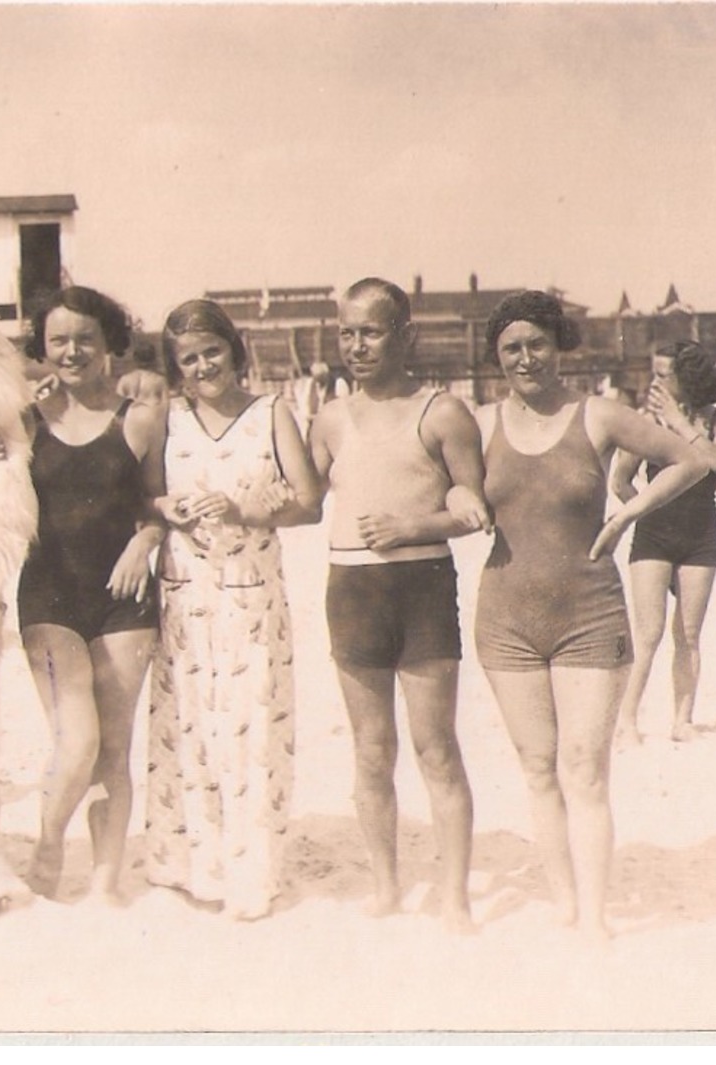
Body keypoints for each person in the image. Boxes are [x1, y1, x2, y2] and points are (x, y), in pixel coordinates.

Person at [473, 291, 706, 943]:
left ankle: (596, 915)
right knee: (537, 765)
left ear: (559, 345)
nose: (525, 357)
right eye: (511, 347)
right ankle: (564, 902)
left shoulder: (597, 415)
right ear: (497, 357)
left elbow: (692, 459)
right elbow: (443, 485)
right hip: (505, 618)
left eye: (536, 343)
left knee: (584, 764)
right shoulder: (479, 422)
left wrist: (629, 510)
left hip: (588, 613)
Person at [308, 278, 490, 932]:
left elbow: (473, 507)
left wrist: (413, 527)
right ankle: (384, 884)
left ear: (404, 335)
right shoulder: (327, 417)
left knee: (435, 746)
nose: (356, 345)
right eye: (347, 332)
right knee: (369, 749)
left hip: (420, 589)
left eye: (370, 331)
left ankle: (454, 894)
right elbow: (301, 502)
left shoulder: (441, 412)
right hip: (351, 590)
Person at [144, 299, 321, 920]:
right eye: (187, 360)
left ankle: (251, 874)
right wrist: (168, 509)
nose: (202, 367)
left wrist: (244, 509)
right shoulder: (168, 419)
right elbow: (146, 497)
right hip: (187, 591)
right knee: (189, 723)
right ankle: (193, 866)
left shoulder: (271, 413)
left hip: (249, 588)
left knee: (252, 724)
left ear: (233, 348)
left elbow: (308, 504)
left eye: (211, 352)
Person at [15, 286, 165, 902]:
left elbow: (157, 504)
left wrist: (145, 542)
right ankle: (49, 843)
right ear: (42, 348)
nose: (71, 351)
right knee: (76, 739)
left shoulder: (140, 417)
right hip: (49, 597)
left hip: (123, 598)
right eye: (58, 340)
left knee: (114, 749)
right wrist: (21, 395)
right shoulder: (25, 419)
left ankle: (105, 880)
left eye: (85, 339)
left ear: (108, 345)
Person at [610, 341, 716, 744]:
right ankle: (627, 721)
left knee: (688, 634)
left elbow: (714, 462)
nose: (656, 382)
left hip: (701, 534)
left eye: (664, 374)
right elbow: (620, 480)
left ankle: (682, 721)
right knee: (647, 634)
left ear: (688, 377)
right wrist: (644, 511)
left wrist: (681, 424)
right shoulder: (646, 424)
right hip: (653, 533)